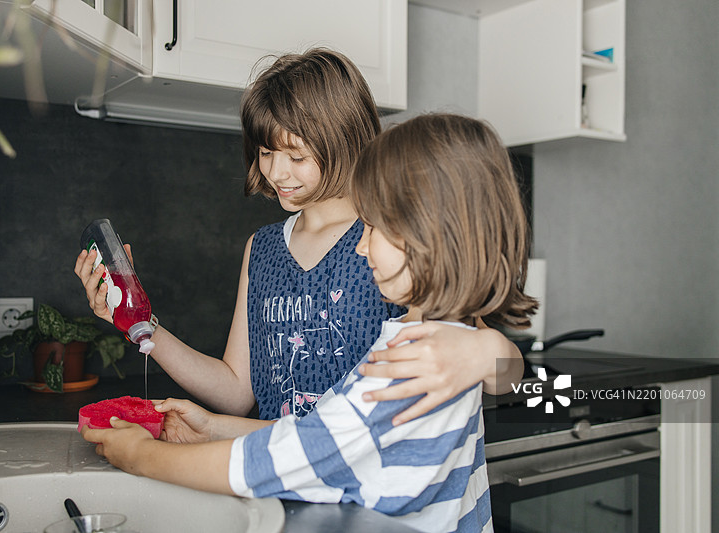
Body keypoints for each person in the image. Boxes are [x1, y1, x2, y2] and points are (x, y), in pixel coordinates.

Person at [82, 113, 537, 533]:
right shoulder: (403, 342)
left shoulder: (414, 362)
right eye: (266, 153)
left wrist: (143, 456)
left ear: (431, 236)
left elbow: (279, 460)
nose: (361, 245)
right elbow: (326, 439)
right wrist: (214, 426)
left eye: (296, 155)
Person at [74, 48, 524, 426]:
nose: (276, 172)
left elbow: (507, 374)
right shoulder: (262, 249)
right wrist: (140, 325)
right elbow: (237, 392)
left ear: (344, 141)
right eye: (265, 152)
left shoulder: (393, 239)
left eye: (296, 156)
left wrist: (486, 355)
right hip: (280, 483)